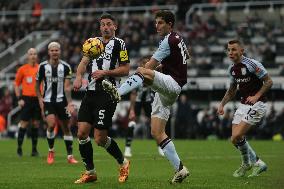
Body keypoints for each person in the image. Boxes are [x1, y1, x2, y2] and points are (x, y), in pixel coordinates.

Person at [102, 10, 190, 184]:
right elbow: (186, 57)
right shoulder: (178, 39)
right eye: (156, 22)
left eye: (160, 23)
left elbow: (149, 65)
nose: (156, 26)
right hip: (168, 90)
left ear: (169, 24)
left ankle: (118, 92)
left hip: (173, 84)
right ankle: (180, 169)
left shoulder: (168, 41)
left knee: (142, 70)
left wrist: (147, 72)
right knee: (157, 132)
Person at [73, 13, 130, 184]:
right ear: (100, 27)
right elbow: (83, 63)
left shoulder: (120, 44)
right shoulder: (93, 43)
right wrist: (78, 76)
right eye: (103, 24)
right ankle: (90, 172)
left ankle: (123, 163)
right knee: (82, 133)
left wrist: (105, 72)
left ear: (115, 27)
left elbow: (126, 69)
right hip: (90, 92)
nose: (106, 27)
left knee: (99, 139)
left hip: (108, 93)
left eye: (109, 24)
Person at [217, 39, 273, 177]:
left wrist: (256, 96)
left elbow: (269, 81)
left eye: (234, 49)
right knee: (234, 139)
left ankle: (257, 162)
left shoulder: (252, 64)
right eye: (229, 50)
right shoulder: (232, 69)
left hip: (258, 103)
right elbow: (231, 90)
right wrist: (222, 104)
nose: (231, 52)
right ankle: (248, 164)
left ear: (242, 50)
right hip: (243, 104)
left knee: (237, 135)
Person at [35, 42, 78, 165]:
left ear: (60, 51)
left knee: (66, 128)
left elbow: (67, 87)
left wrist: (69, 103)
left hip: (62, 102)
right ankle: (51, 151)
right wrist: (40, 99)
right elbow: (37, 85)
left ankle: (70, 156)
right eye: (52, 50)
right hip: (48, 101)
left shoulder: (66, 67)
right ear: (49, 52)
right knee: (51, 124)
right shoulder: (42, 67)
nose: (54, 52)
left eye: (56, 50)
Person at [124, 56, 164, 157]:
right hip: (137, 101)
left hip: (148, 101)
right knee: (132, 122)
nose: (147, 64)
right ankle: (127, 148)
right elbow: (133, 94)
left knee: (155, 124)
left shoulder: (152, 73)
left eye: (149, 63)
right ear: (142, 64)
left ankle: (160, 147)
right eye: (145, 63)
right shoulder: (136, 76)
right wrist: (132, 109)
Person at [14, 48, 41, 157]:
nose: (33, 56)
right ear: (27, 56)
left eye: (35, 54)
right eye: (31, 54)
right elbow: (16, 84)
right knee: (24, 124)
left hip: (37, 99)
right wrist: (19, 98)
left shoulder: (41, 68)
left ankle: (34, 150)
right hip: (26, 99)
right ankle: (19, 148)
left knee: (35, 124)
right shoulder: (22, 69)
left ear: (37, 56)